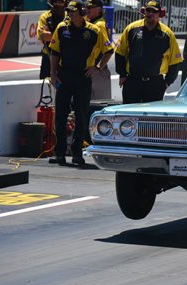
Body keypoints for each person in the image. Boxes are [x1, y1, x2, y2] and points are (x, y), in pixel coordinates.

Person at [49, 0, 113, 166]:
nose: (69, 14)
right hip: (64, 76)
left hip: (83, 76)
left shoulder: (94, 30)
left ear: (81, 12)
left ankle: (77, 153)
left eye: (73, 11)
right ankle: (60, 153)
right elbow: (54, 52)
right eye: (68, 11)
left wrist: (97, 67)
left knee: (81, 115)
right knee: (60, 116)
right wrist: (53, 74)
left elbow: (109, 50)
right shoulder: (62, 28)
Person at [115, 1, 182, 104]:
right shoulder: (131, 29)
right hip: (132, 82)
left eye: (154, 12)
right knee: (129, 115)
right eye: (148, 10)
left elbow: (175, 61)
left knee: (151, 117)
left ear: (160, 14)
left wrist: (167, 82)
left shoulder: (167, 34)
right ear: (143, 12)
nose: (150, 14)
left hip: (155, 84)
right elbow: (120, 52)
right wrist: (122, 74)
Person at [86, 0, 112, 100]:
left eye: (90, 7)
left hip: (98, 73)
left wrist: (97, 67)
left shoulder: (99, 25)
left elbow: (108, 50)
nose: (87, 9)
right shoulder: (92, 23)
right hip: (92, 72)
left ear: (99, 9)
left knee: (97, 105)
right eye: (86, 7)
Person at [37, 0, 67, 79]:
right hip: (48, 55)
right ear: (51, 3)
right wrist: (63, 35)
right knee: (45, 86)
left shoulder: (68, 16)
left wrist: (51, 33)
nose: (59, 5)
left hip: (65, 56)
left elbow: (73, 37)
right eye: (56, 2)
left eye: (61, 2)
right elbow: (43, 36)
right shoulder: (45, 17)